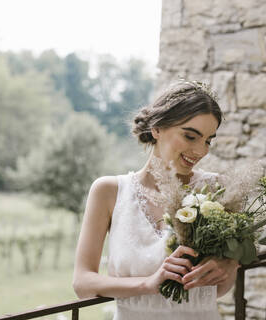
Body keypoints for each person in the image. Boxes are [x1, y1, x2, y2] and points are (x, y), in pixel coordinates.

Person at [72, 81, 240, 320]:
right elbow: (82, 283)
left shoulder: (217, 190)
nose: (201, 151)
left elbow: (220, 290)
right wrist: (148, 284)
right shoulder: (108, 191)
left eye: (208, 141)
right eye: (190, 136)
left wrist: (228, 266)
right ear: (157, 128)